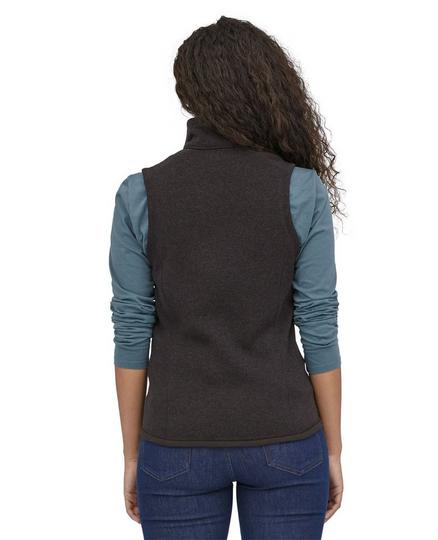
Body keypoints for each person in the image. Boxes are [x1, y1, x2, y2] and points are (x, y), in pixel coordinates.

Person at [109, 15, 344, 540]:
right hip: (287, 439)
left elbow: (131, 330)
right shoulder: (301, 190)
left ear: (187, 93)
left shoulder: (139, 194)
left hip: (175, 444)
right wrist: (332, 449)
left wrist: (132, 455)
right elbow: (318, 323)